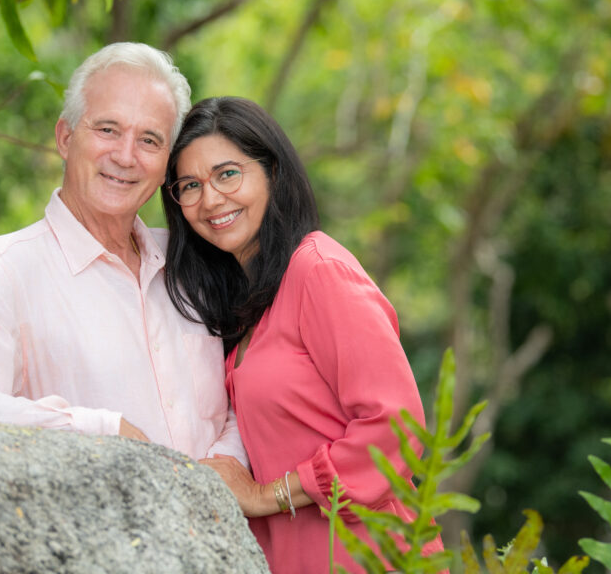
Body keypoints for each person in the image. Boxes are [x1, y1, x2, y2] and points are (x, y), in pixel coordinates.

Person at [0, 43, 246, 465]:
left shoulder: (190, 259)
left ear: (165, 166)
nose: (125, 156)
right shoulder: (7, 269)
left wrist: (230, 461)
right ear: (66, 138)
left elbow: (242, 393)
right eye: (107, 129)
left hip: (213, 526)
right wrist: (96, 431)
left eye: (149, 140)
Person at [161, 96, 444, 572]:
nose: (210, 199)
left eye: (228, 174)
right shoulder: (248, 305)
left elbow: (395, 426)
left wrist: (266, 495)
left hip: (368, 556)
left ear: (272, 170)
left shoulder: (318, 269)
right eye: (190, 185)